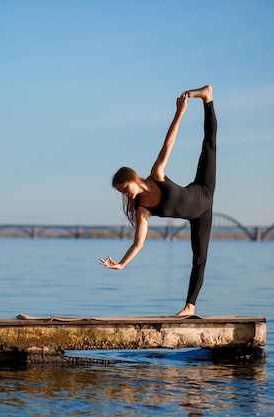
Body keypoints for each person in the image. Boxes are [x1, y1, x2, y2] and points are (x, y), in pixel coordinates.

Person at [100, 85, 216, 317]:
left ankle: (207, 98)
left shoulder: (156, 176)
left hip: (203, 190)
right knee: (199, 258)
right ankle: (189, 307)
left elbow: (168, 143)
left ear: (132, 178)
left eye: (124, 188)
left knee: (209, 145)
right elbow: (138, 243)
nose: (125, 194)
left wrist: (179, 112)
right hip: (200, 216)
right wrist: (122, 264)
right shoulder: (142, 209)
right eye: (121, 192)